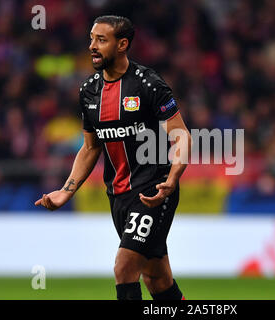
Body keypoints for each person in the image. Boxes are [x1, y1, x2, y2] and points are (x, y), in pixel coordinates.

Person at [35, 15, 192, 300]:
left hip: (153, 190)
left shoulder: (149, 84)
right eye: (91, 39)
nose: (92, 46)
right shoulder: (89, 90)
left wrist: (172, 178)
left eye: (101, 40)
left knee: (124, 269)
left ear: (122, 44)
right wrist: (66, 191)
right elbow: (90, 147)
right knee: (157, 278)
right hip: (118, 195)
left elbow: (180, 135)